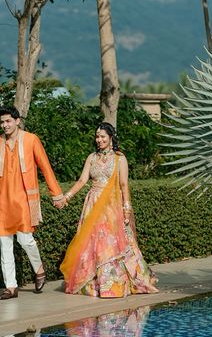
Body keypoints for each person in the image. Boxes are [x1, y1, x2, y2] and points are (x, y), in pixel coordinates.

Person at [60, 122, 158, 298]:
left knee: (111, 242)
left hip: (112, 205)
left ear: (111, 137)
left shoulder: (120, 159)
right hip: (93, 203)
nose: (99, 140)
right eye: (97, 136)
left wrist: (127, 209)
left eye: (103, 136)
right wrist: (66, 197)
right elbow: (82, 181)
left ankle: (113, 284)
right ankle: (93, 284)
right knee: (92, 242)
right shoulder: (92, 157)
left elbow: (123, 184)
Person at [0, 106, 66, 300]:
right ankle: (10, 287)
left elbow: (45, 167)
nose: (5, 125)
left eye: (8, 121)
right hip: (2, 201)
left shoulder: (31, 140)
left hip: (23, 201)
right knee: (5, 244)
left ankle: (39, 269)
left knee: (26, 240)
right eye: (2, 122)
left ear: (17, 121)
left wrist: (57, 194)